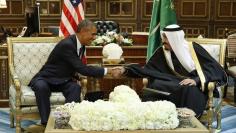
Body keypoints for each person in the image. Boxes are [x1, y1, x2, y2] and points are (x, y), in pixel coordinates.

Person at [116, 24, 227, 116]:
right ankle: (159, 114)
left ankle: (188, 115)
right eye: (163, 38)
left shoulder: (193, 48)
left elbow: (214, 68)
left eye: (166, 38)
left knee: (189, 88)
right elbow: (147, 70)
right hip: (173, 81)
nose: (164, 41)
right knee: (156, 84)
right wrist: (126, 70)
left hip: (194, 83)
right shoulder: (162, 52)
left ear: (175, 39)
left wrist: (196, 80)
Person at [28, 19, 121, 126]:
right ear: (83, 31)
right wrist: (108, 70)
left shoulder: (81, 45)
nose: (95, 37)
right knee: (41, 87)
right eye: (93, 34)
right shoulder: (67, 44)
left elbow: (76, 67)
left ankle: (66, 120)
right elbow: (82, 68)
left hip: (63, 80)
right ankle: (45, 124)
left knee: (75, 88)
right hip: (46, 78)